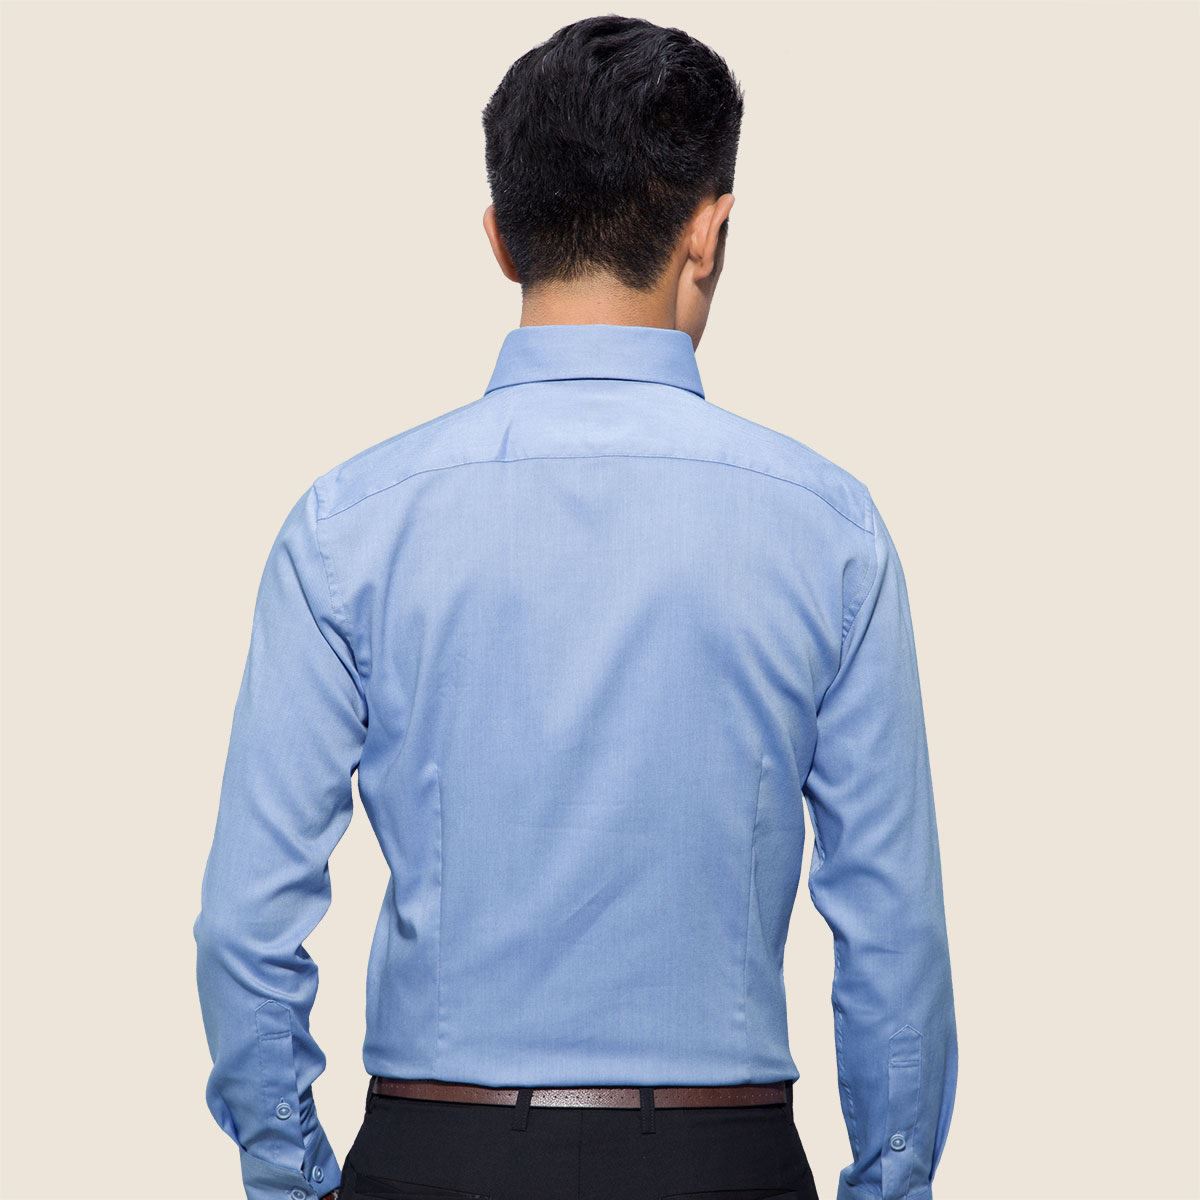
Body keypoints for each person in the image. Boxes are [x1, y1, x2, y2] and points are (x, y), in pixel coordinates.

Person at [194, 14, 958, 1200]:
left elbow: (246, 929)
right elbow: (891, 931)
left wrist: (292, 1177)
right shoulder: (830, 530)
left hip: (434, 1156)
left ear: (501, 239)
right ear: (708, 233)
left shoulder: (349, 527)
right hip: (724, 1162)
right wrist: (892, 1181)